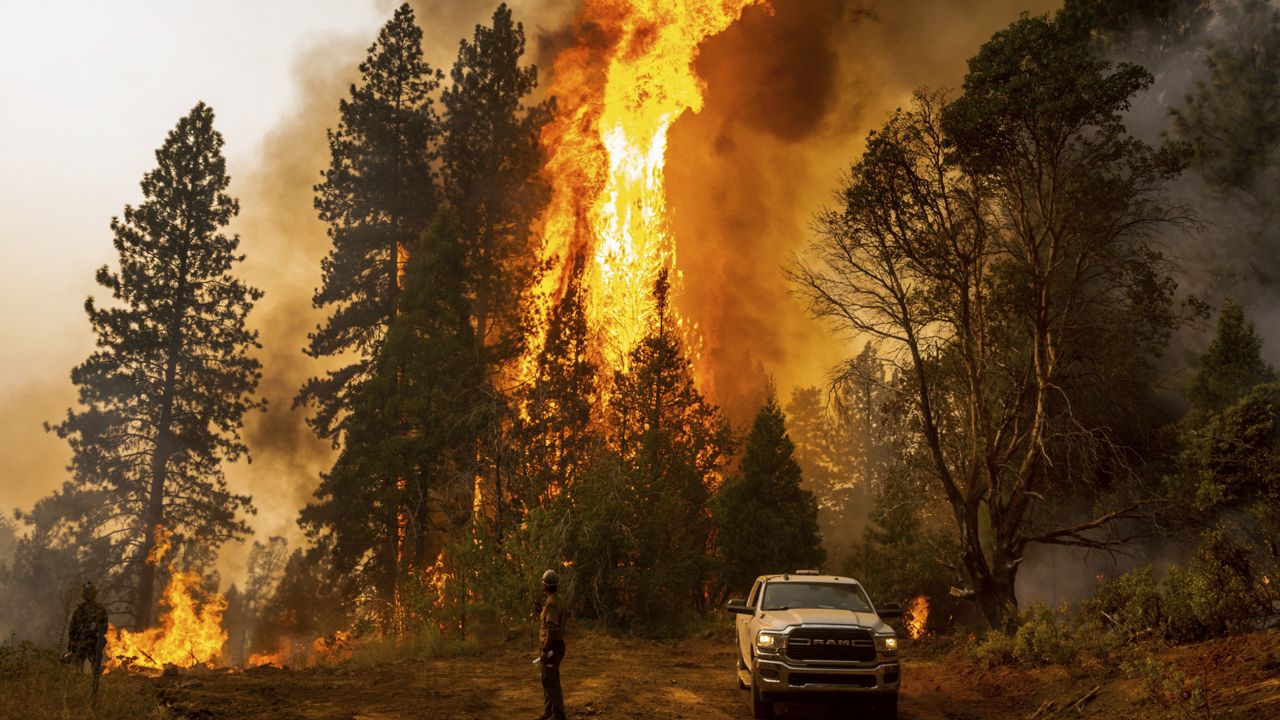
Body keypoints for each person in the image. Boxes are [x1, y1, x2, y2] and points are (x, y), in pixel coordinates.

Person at [66, 581, 109, 701]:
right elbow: (72, 629)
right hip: (80, 644)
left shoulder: (100, 610)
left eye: (90, 593)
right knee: (77, 670)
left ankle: (94, 695)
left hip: (92, 644)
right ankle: (77, 695)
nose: (88, 595)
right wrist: (71, 647)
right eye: (87, 593)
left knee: (95, 672)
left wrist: (95, 631)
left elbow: (104, 629)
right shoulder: (80, 611)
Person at [536, 569, 567, 720]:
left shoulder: (552, 604)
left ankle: (559, 716)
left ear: (546, 587)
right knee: (549, 679)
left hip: (552, 647)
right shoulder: (556, 600)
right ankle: (549, 712)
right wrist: (541, 611)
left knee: (551, 681)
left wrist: (545, 649)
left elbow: (552, 630)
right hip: (556, 646)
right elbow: (551, 620)